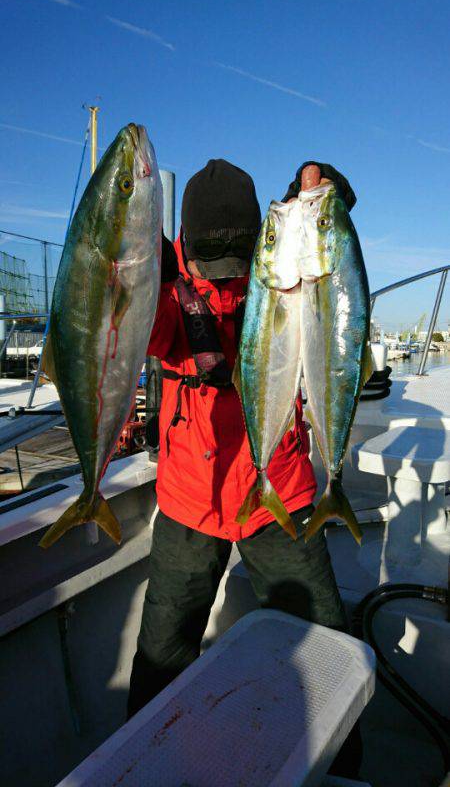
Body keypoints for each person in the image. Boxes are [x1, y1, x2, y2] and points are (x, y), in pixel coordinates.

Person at [128, 159, 361, 776]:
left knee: (327, 644)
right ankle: (140, 765)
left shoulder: (278, 270)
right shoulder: (168, 291)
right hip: (190, 500)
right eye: (211, 267)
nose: (226, 281)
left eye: (237, 267)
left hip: (279, 488)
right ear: (186, 246)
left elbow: (327, 275)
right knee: (162, 652)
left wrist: (322, 203)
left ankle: (341, 769)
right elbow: (138, 320)